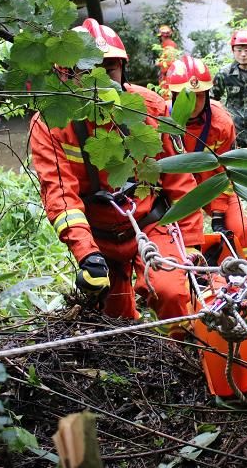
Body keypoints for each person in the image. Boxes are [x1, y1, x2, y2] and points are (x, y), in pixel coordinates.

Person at [30, 18, 204, 338]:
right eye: (87, 70)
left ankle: (187, 357)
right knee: (118, 327)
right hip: (99, 239)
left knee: (172, 293)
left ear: (123, 70)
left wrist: (191, 244)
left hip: (150, 225)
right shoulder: (51, 123)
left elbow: (180, 181)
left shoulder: (149, 108)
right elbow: (60, 196)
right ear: (66, 75)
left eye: (108, 69)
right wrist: (87, 254)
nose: (99, 81)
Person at [165, 55, 247, 262]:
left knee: (240, 231)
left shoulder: (221, 124)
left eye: (200, 95)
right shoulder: (161, 122)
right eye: (186, 96)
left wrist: (218, 214)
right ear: (173, 96)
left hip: (215, 185)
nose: (194, 103)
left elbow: (225, 173)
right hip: (173, 193)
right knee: (181, 243)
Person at [156, 25, 180, 96]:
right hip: (167, 74)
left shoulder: (169, 46)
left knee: (166, 93)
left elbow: (171, 62)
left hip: (168, 75)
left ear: (162, 36)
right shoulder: (167, 45)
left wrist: (159, 63)